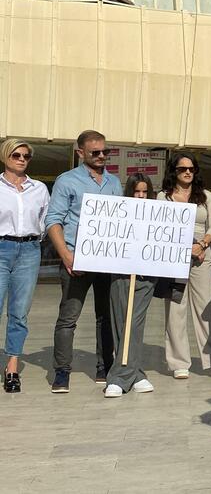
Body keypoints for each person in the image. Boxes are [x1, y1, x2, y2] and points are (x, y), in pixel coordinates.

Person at [46, 130, 122, 393]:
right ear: (80, 153)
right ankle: (62, 371)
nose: (101, 156)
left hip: (107, 261)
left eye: (105, 151)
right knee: (68, 318)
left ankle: (105, 366)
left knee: (106, 317)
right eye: (95, 152)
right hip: (76, 259)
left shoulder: (114, 182)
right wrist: (67, 256)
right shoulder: (67, 181)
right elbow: (53, 220)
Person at [159, 152, 211, 380]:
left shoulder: (206, 196)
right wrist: (185, 247)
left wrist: (201, 245)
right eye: (182, 169)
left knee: (206, 310)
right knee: (175, 309)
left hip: (202, 256)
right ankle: (178, 362)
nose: (187, 172)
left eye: (191, 169)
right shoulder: (163, 197)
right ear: (174, 171)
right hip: (174, 257)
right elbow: (161, 226)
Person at [0, 139, 49, 393]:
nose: (21, 159)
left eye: (26, 156)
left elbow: (44, 221)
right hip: (1, 248)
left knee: (19, 312)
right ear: (5, 156)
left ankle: (12, 368)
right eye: (16, 155)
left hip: (29, 251)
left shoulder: (39, 189)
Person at [104, 174, 158, 398]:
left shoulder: (158, 214)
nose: (141, 195)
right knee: (120, 321)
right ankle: (136, 375)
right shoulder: (119, 212)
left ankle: (118, 378)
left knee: (134, 323)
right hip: (121, 274)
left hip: (147, 276)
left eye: (145, 192)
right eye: (137, 191)